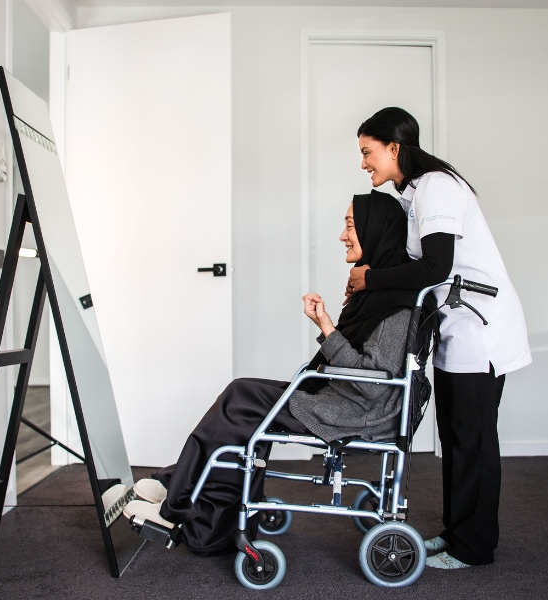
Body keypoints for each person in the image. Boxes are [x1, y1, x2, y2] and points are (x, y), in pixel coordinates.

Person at [123, 192, 422, 555]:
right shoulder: (381, 295)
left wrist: (327, 328)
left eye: (349, 226)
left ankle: (177, 499)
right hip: (340, 400)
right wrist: (328, 326)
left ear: (376, 231)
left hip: (356, 413)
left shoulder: (396, 307)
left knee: (240, 399)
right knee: (243, 399)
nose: (342, 236)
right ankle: (182, 494)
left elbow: (373, 385)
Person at [347, 107, 531, 569]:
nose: (364, 163)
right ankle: (457, 534)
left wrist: (369, 280)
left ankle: (474, 547)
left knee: (473, 439)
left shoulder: (437, 187)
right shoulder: (414, 193)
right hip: (455, 326)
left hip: (481, 328)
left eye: (368, 153)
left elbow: (436, 266)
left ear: (394, 148)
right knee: (455, 436)